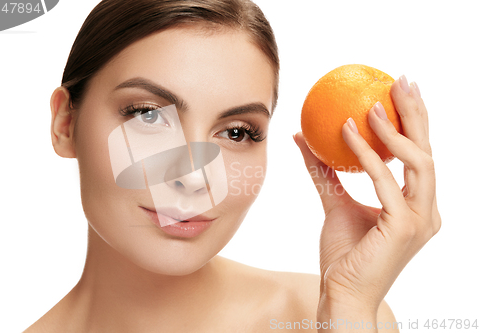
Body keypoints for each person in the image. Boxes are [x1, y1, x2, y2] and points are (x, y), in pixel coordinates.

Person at [24, 0, 440, 331]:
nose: (194, 177)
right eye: (148, 115)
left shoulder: (333, 315)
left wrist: (348, 307)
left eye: (237, 132)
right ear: (66, 123)